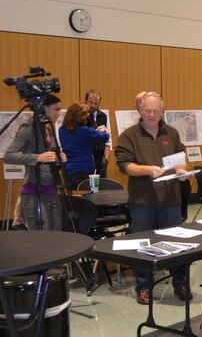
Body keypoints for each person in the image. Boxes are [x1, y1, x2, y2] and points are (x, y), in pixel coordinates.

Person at [115, 92, 192, 305]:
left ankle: (180, 283)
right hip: (142, 201)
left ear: (162, 111)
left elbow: (180, 157)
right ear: (140, 110)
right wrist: (147, 170)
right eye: (147, 110)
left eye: (155, 110)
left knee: (178, 243)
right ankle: (143, 286)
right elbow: (124, 165)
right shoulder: (130, 135)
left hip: (170, 200)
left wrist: (182, 169)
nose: (151, 114)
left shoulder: (172, 133)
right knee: (143, 244)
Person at [4, 94, 67, 230]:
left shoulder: (49, 128)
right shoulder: (27, 128)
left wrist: (58, 161)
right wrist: (37, 158)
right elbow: (9, 156)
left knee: (57, 238)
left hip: (53, 191)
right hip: (34, 193)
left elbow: (50, 160)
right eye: (56, 109)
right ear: (44, 108)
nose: (59, 113)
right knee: (41, 239)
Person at [59, 103, 110, 190]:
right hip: (84, 168)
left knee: (72, 196)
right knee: (85, 197)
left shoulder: (61, 130)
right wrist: (106, 131)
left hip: (67, 168)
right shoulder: (85, 130)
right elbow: (105, 137)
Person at [85, 89, 110, 178]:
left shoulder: (103, 116)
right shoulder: (81, 116)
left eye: (96, 103)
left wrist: (106, 157)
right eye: (90, 102)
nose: (93, 106)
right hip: (86, 155)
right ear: (86, 101)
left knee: (102, 185)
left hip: (100, 156)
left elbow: (108, 137)